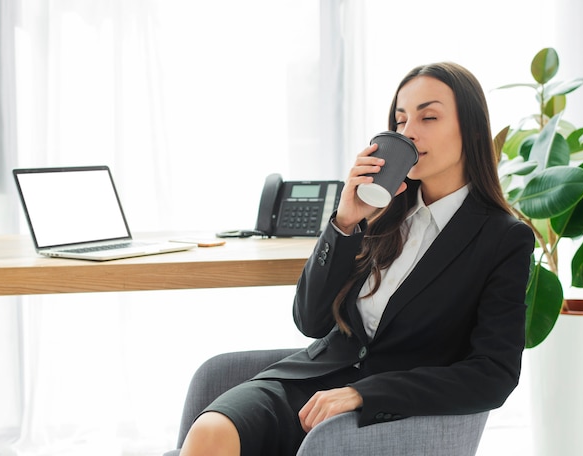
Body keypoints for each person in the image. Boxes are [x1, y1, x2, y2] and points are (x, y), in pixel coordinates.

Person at [179, 62, 535, 456]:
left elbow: (493, 374)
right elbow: (311, 322)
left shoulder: (503, 238)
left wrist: (361, 393)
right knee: (211, 432)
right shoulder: (381, 216)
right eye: (400, 121)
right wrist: (345, 222)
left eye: (428, 116)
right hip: (309, 382)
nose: (409, 133)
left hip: (379, 407)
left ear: (470, 128)